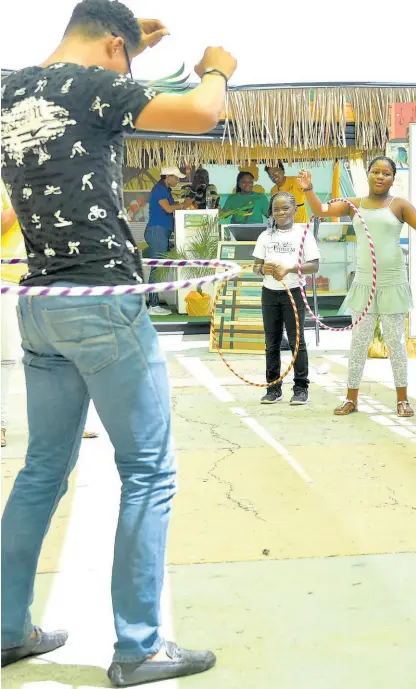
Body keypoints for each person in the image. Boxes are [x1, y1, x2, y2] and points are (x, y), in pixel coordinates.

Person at [0, 0, 237, 685]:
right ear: (112, 47)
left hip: (42, 305)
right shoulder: (99, 82)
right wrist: (217, 71)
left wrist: (140, 59)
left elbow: (104, 93)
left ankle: (8, 627)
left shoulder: (12, 87)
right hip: (102, 299)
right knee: (149, 471)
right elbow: (201, 112)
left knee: (42, 470)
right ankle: (139, 647)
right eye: (124, 57)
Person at [297, 156, 416, 418]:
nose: (380, 176)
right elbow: (320, 211)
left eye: (386, 173)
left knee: (395, 343)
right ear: (369, 175)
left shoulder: (400, 206)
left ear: (393, 178)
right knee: (358, 342)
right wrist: (308, 189)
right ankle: (351, 398)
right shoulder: (354, 205)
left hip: (393, 281)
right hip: (364, 282)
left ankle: (402, 399)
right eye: (375, 172)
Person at [253, 192, 320, 405]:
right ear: (271, 213)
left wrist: (290, 268)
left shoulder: (303, 234)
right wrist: (262, 269)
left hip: (294, 291)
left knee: (296, 341)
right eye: (276, 209)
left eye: (285, 208)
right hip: (269, 293)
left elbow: (314, 266)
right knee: (271, 342)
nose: (280, 212)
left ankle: (301, 388)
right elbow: (256, 267)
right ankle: (273, 388)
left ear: (295, 210)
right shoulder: (265, 236)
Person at [145, 167, 192, 316]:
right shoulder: (159, 189)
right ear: (167, 177)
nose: (178, 181)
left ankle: (154, 303)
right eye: (176, 178)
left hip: (161, 231)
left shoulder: (165, 190)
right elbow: (168, 209)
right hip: (157, 231)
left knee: (159, 268)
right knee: (157, 268)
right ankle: (153, 305)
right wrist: (184, 204)